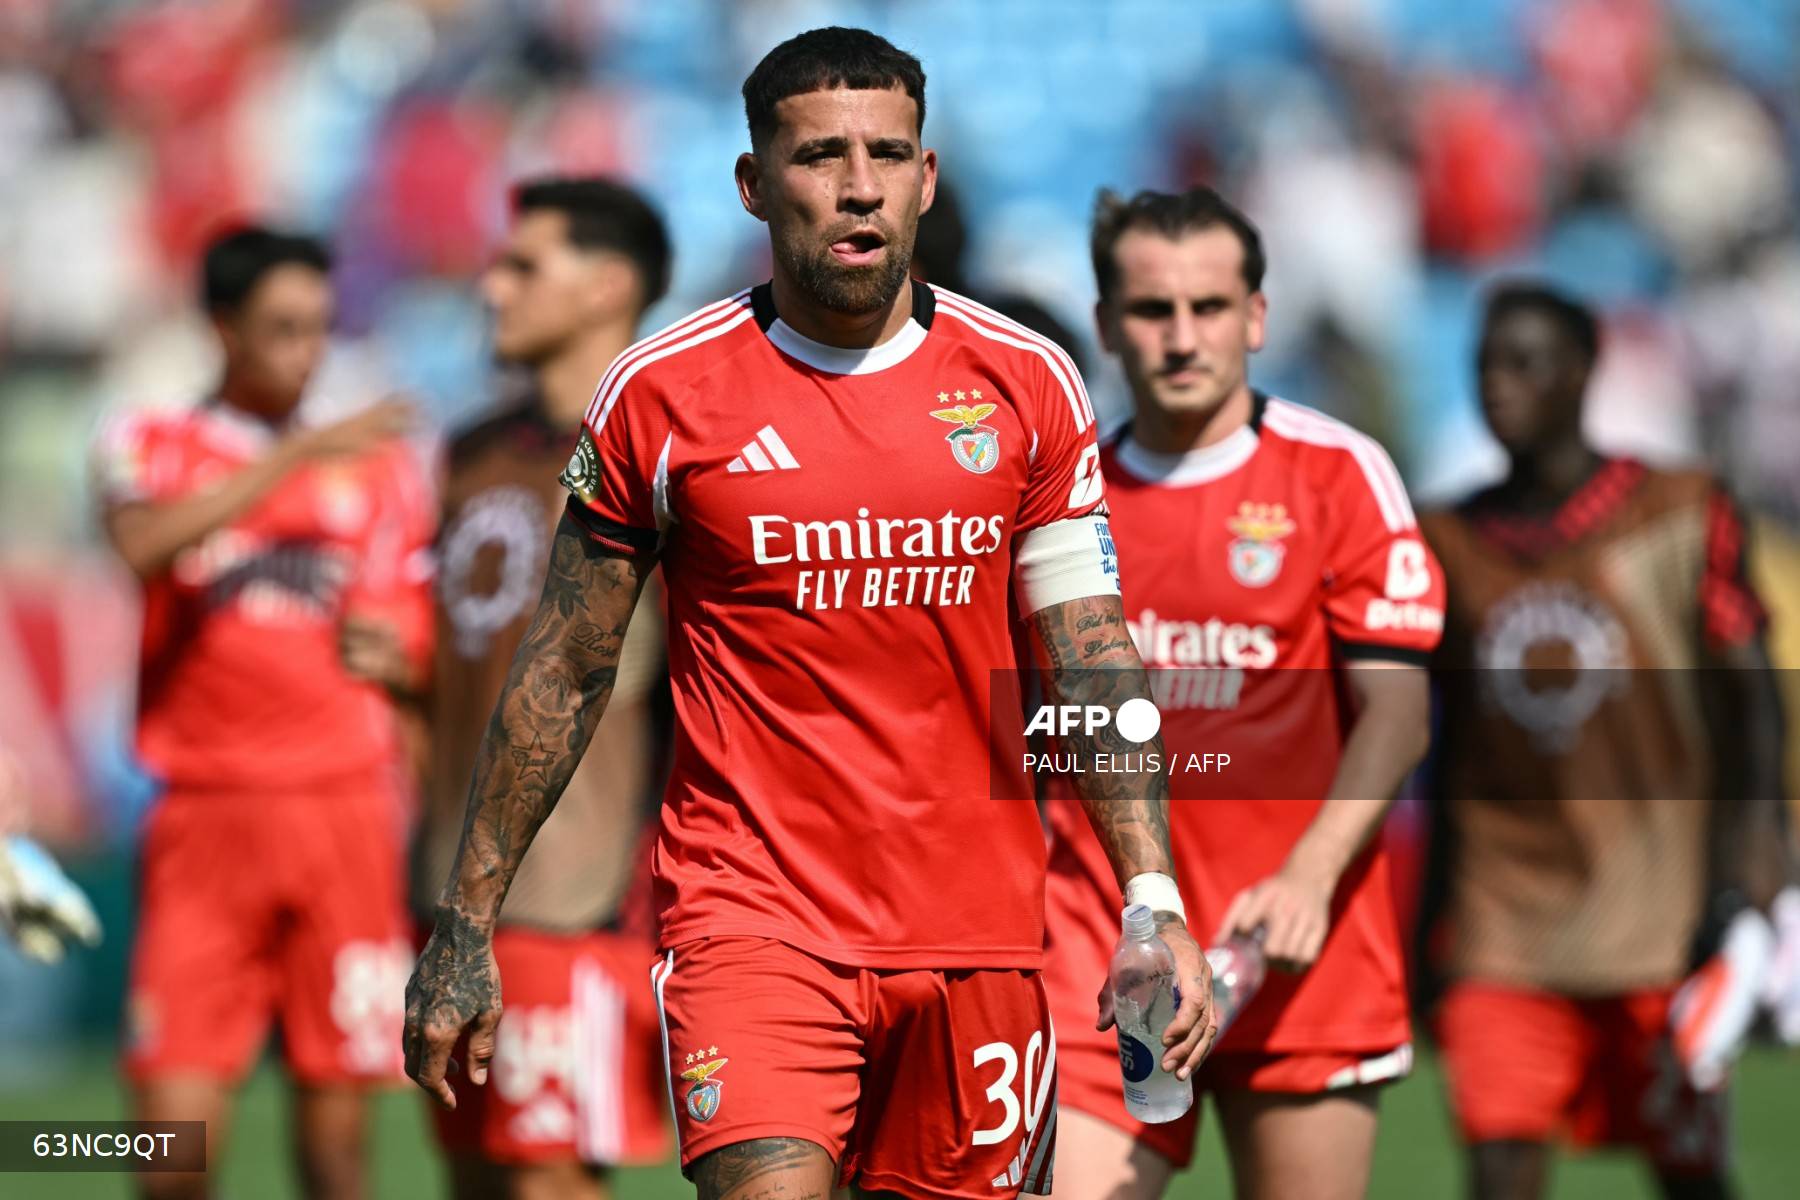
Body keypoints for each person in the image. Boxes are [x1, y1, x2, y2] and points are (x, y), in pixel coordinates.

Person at [405, 26, 1218, 1200]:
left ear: (924, 180)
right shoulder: (660, 396)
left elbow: (1091, 658)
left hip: (973, 938)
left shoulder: (1028, 383)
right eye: (819, 155)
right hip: (751, 919)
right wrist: (466, 922)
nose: (857, 185)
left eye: (887, 154)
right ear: (751, 184)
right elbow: (566, 664)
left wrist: (1153, 901)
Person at [1041, 187, 1444, 1200]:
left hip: (1299, 948)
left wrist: (1308, 875)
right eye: (1151, 310)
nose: (1182, 337)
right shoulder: (1060, 490)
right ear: (1105, 325)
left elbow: (1397, 714)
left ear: (1256, 317)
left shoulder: (1338, 473)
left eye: (1209, 307)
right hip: (1104, 948)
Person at [1418, 282, 1788, 1200]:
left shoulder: (1679, 512)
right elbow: (1438, 745)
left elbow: (1751, 705)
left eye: (1525, 363)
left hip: (1659, 924)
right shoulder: (1446, 541)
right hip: (1505, 924)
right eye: (1486, 366)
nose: (1498, 387)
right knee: (1500, 1171)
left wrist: (1752, 867)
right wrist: (1429, 921)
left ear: (1583, 373)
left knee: (1690, 1175)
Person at [92, 225, 432, 1200]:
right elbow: (143, 547)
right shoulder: (147, 443)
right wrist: (291, 461)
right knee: (166, 1155)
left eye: (319, 329)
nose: (306, 354)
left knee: (336, 1156)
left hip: (344, 818)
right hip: (203, 815)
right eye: (282, 329)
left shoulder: (378, 474)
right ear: (222, 329)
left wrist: (402, 661)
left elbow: (407, 639)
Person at [413, 177, 674, 1198]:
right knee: (475, 1183)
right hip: (447, 895)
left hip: (583, 898)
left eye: (523, 265)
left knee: (547, 1184)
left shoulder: (669, 450)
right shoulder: (469, 455)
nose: (490, 286)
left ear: (608, 285)